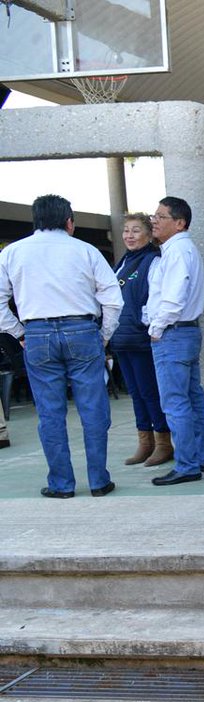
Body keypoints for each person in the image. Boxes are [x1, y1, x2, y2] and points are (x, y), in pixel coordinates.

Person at [0, 194, 122, 498]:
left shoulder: (12, 252)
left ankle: (61, 484)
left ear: (36, 220)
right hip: (82, 329)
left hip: (37, 333)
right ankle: (98, 481)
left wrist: (19, 333)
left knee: (50, 413)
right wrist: (103, 335)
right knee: (93, 408)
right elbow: (113, 299)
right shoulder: (86, 250)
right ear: (69, 221)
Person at [144, 196, 204, 486]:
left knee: (175, 401)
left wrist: (157, 328)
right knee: (192, 396)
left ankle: (187, 464)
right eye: (154, 215)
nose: (154, 221)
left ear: (179, 222)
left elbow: (173, 297)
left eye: (161, 216)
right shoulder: (181, 249)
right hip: (184, 331)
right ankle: (203, 457)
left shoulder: (176, 251)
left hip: (173, 332)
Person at [109, 212, 172, 467]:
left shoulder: (152, 260)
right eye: (126, 231)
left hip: (140, 338)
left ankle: (163, 443)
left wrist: (142, 323)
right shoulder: (123, 262)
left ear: (149, 234)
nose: (129, 236)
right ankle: (144, 442)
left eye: (135, 230)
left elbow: (151, 299)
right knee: (135, 393)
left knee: (150, 393)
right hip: (121, 338)